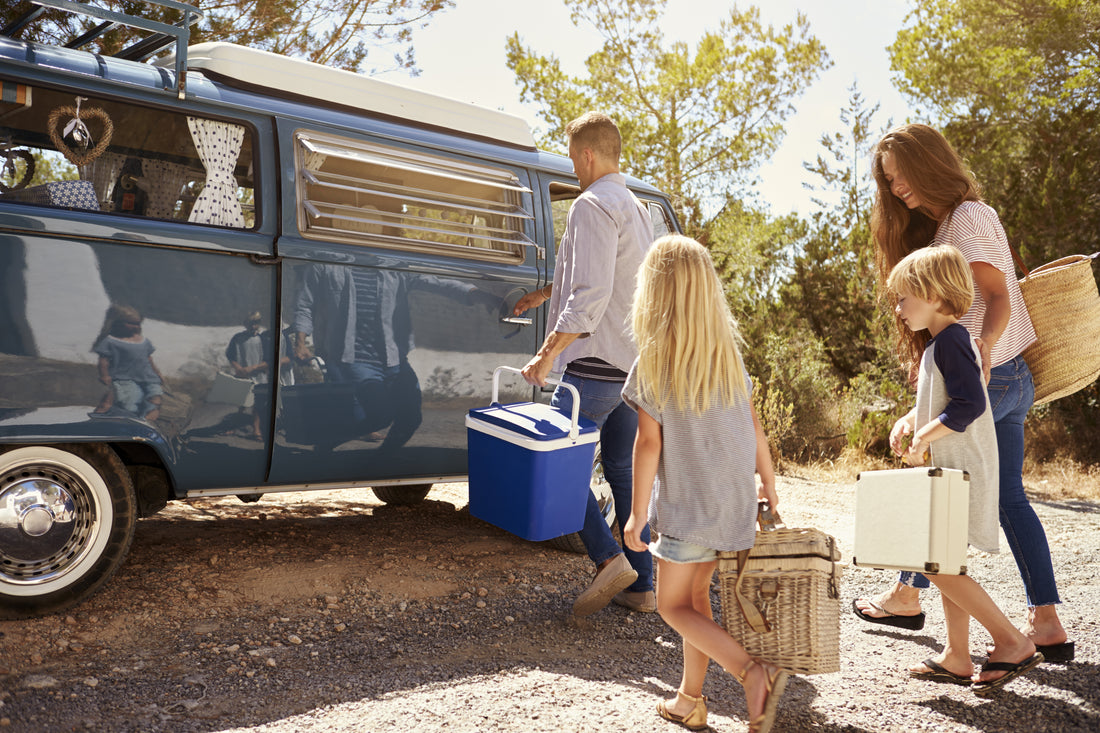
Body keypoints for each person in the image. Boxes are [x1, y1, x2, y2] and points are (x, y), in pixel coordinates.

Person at [853, 123, 1073, 662]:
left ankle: (909, 593)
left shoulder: (966, 219)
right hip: (1010, 377)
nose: (898, 188)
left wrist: (981, 350)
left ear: (929, 165)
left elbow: (998, 294)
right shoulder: (958, 218)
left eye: (902, 177)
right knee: (1007, 500)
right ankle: (1046, 622)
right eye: (890, 181)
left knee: (935, 494)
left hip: (991, 377)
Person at [621, 235, 785, 732]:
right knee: (696, 602)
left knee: (671, 605)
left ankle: (752, 672)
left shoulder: (653, 361)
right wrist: (769, 484)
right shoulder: (728, 358)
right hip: (731, 504)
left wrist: (635, 512)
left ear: (654, 292)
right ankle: (689, 699)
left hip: (688, 508)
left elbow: (648, 444)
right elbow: (756, 428)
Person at [513, 111, 655, 616]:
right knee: (620, 470)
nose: (573, 169)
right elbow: (607, 276)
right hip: (631, 366)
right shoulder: (639, 209)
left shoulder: (591, 204)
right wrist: (543, 295)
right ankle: (643, 587)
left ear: (588, 154)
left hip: (592, 364)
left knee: (556, 465)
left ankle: (608, 559)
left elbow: (591, 295)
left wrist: (546, 352)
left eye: (573, 158)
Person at [884, 245, 1043, 694]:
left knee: (938, 566)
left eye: (904, 298)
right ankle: (957, 655)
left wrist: (923, 436)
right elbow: (950, 399)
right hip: (955, 468)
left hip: (962, 471)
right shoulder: (945, 343)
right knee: (945, 561)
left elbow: (970, 404)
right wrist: (916, 423)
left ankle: (1011, 641)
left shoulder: (952, 340)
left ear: (935, 295)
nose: (898, 309)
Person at [91, 304, 164, 421]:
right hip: (124, 378)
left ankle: (147, 422)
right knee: (131, 399)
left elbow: (149, 359)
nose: (135, 327)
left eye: (137, 323)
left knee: (155, 398)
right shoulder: (111, 341)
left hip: (148, 377)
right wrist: (104, 375)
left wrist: (158, 373)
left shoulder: (143, 341)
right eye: (130, 323)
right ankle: (129, 421)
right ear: (118, 323)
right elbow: (103, 360)